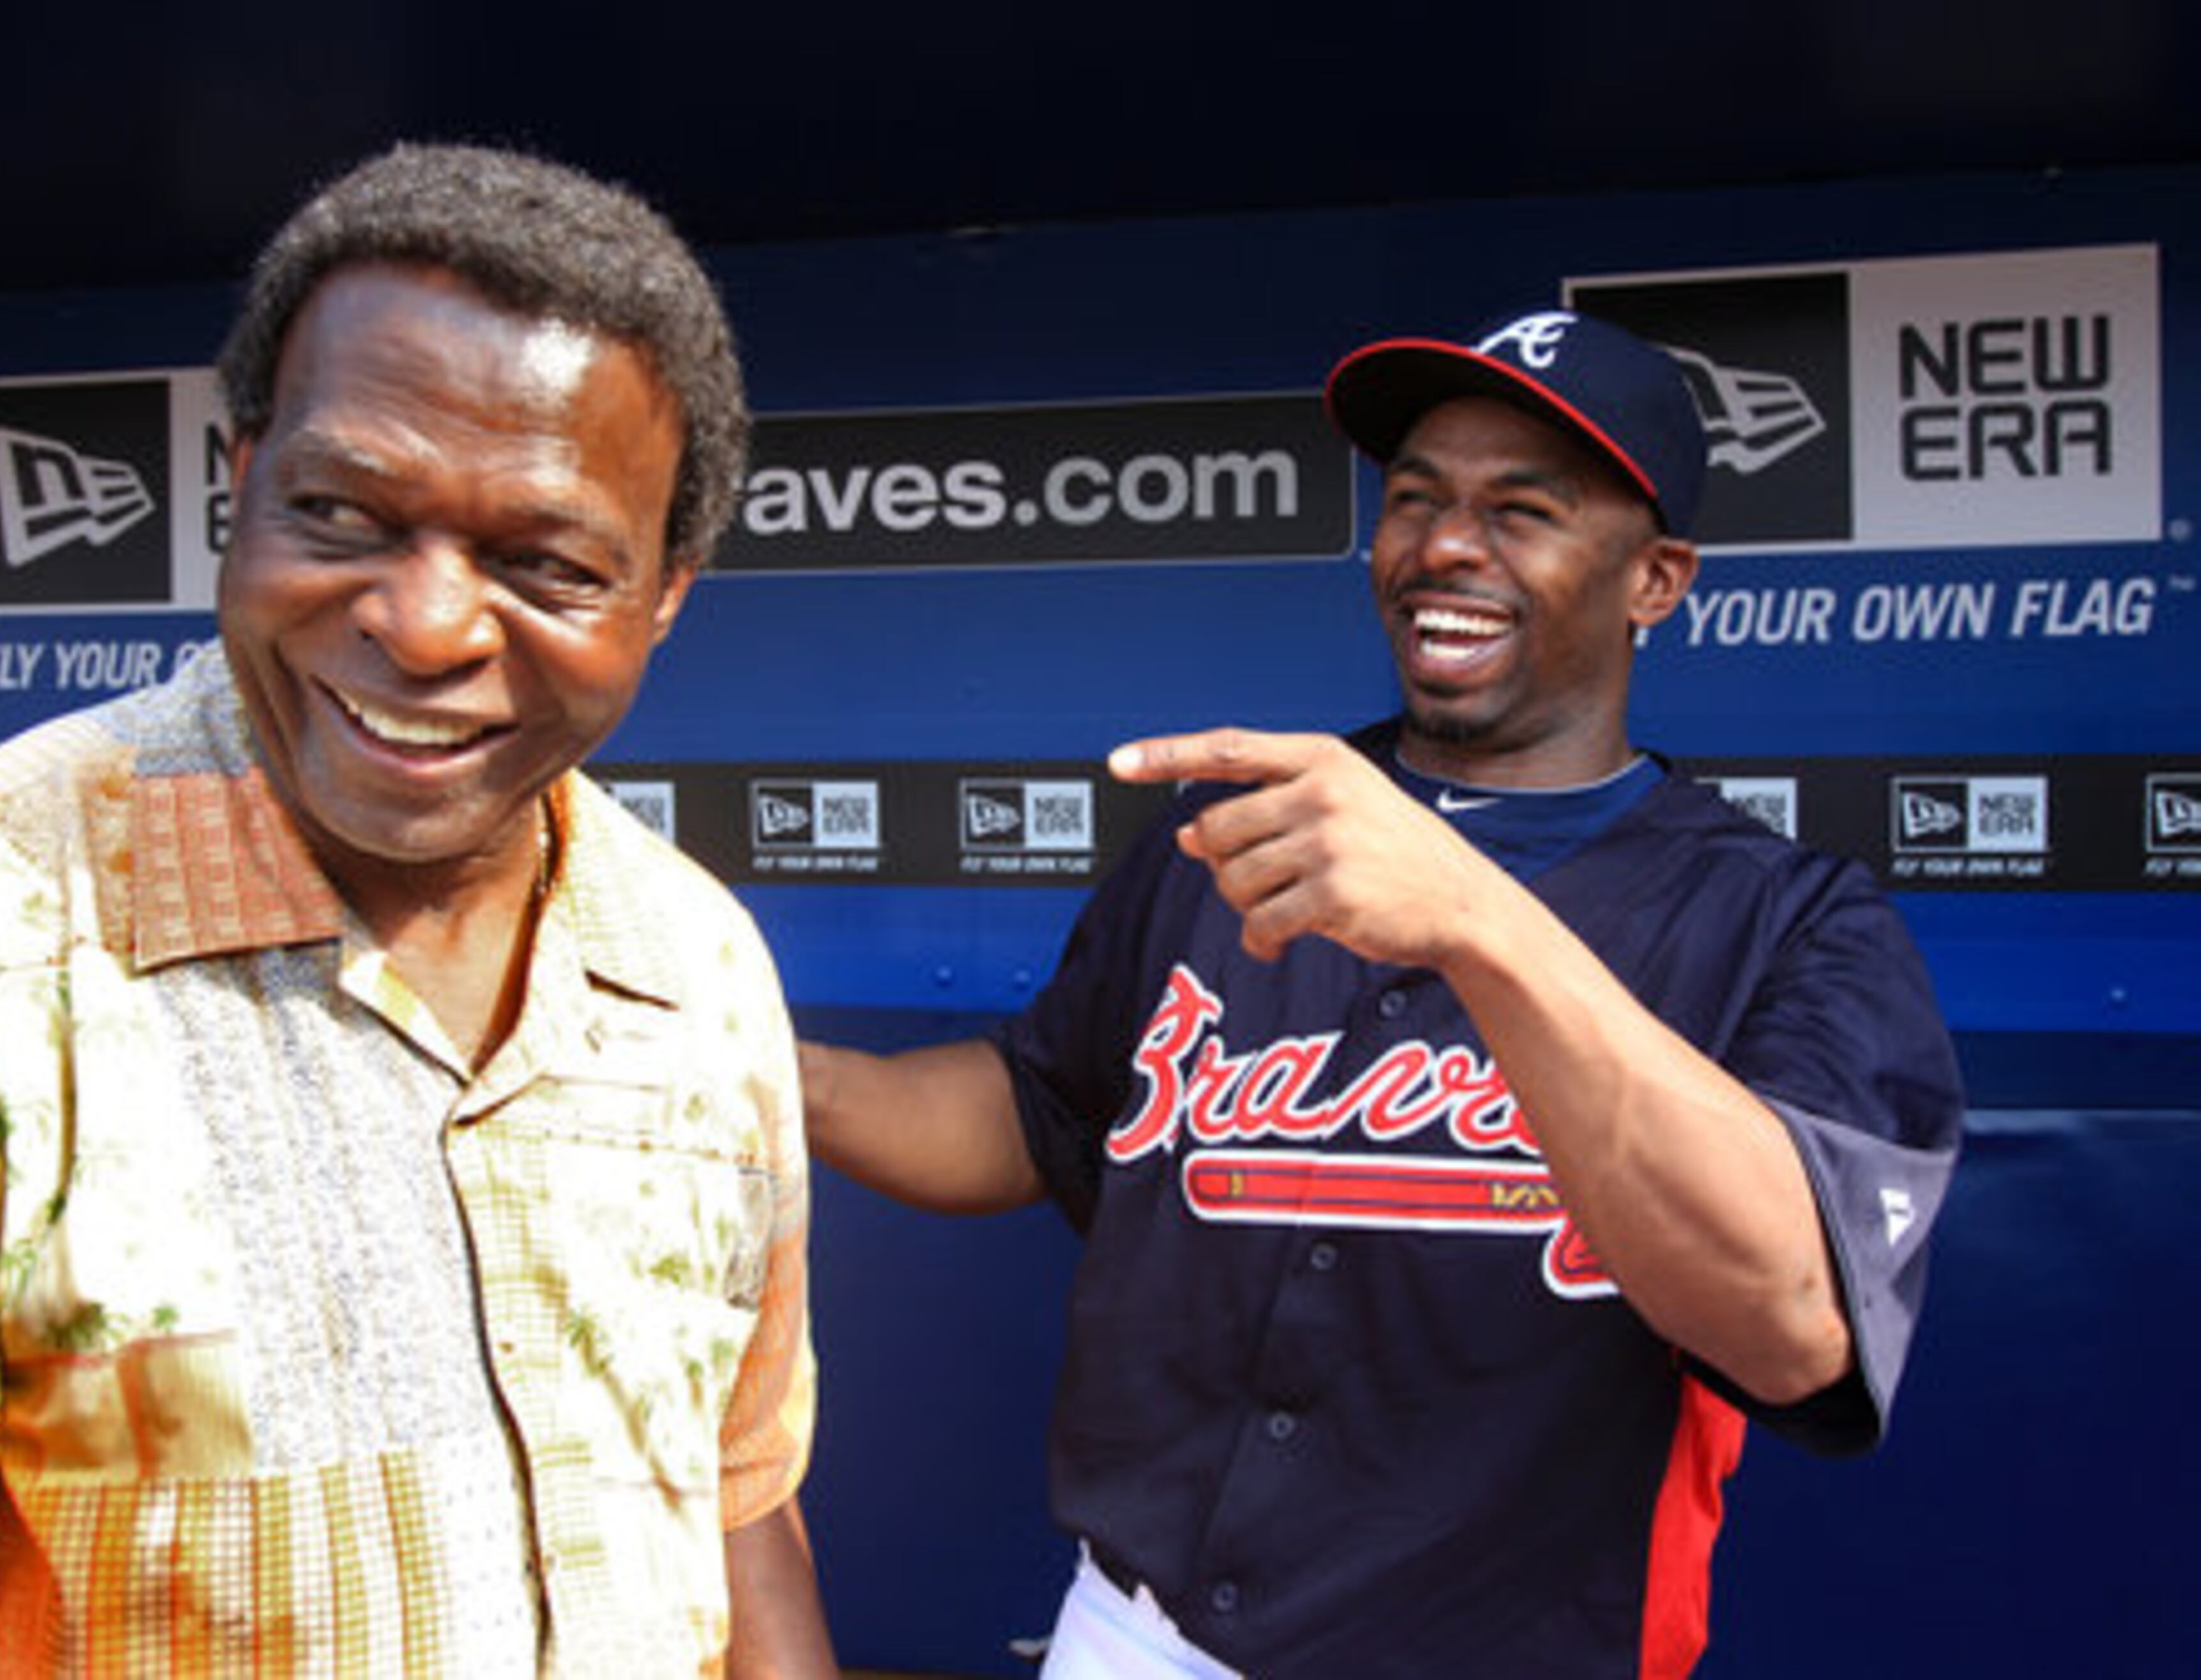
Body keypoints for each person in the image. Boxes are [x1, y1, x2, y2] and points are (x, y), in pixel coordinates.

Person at [0, 142, 835, 1677]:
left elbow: (734, 1493)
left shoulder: (695, 959)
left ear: (663, 592)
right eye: (344, 513)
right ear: (239, 485)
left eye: (544, 562)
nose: (425, 622)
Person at [802, 308, 1963, 1679]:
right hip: (1136, 1632)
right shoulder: (1241, 828)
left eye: (1523, 509)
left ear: (1656, 579)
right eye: (1417, 499)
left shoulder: (1790, 919)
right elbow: (1036, 1107)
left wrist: (1480, 918)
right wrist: (769, 1068)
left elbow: (1790, 1329)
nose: (1448, 545)